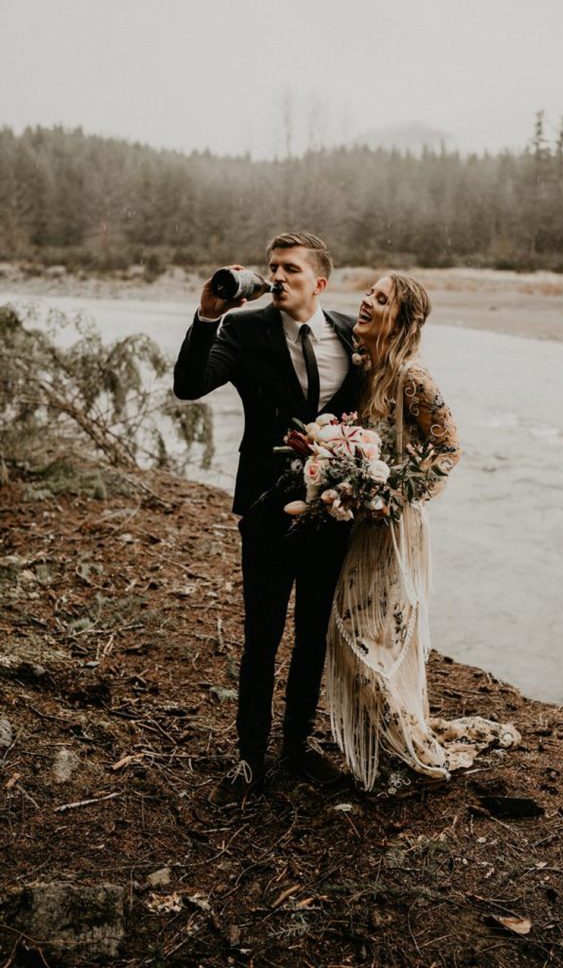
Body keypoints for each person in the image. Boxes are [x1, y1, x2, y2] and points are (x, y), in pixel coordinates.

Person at [173, 232, 360, 803]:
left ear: (319, 283)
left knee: (311, 638)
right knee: (261, 636)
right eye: (272, 267)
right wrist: (208, 315)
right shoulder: (244, 329)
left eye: (291, 270)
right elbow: (188, 386)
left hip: (333, 510)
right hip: (265, 508)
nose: (277, 277)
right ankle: (250, 757)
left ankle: (298, 747)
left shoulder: (353, 335)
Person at [326, 272, 520, 791]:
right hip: (364, 524)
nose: (367, 299)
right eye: (369, 291)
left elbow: (449, 450)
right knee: (354, 628)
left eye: (382, 298)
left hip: (395, 525)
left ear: (403, 319)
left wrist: (393, 492)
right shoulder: (365, 368)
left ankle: (402, 744)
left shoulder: (414, 378)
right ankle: (387, 736)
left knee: (372, 635)